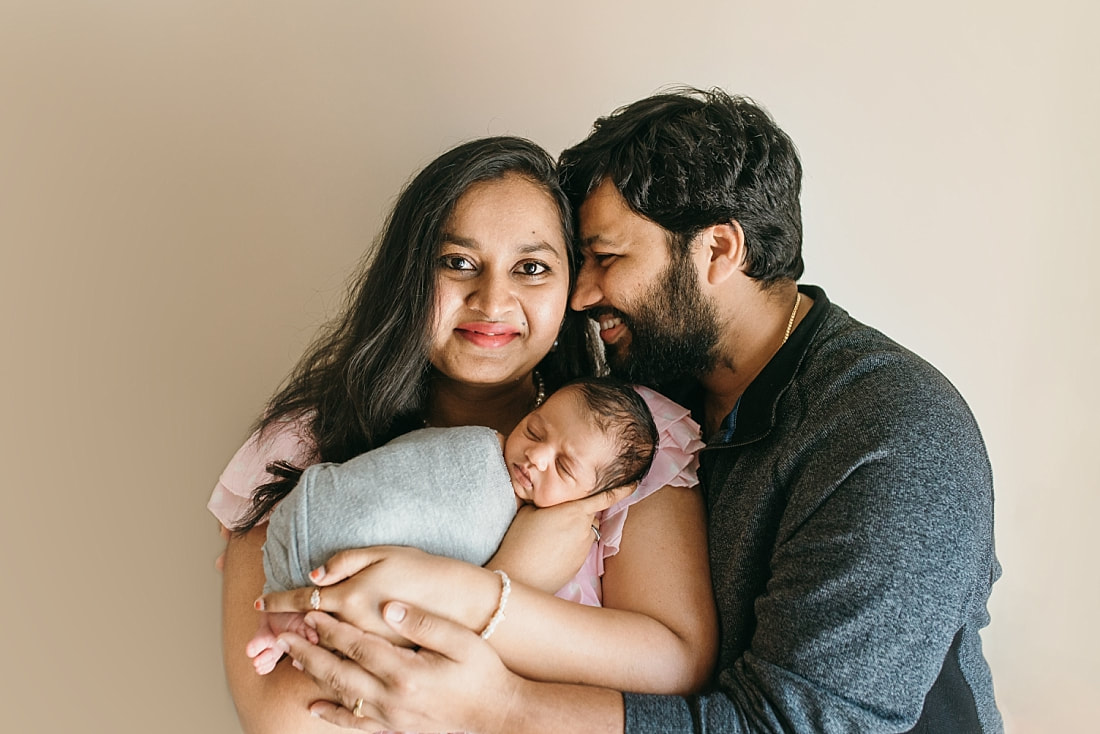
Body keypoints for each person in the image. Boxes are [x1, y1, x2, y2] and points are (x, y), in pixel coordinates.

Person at [267, 89, 1002, 733]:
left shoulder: (891, 434)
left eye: (608, 259)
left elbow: (798, 727)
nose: (582, 296)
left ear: (719, 249)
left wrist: (502, 710)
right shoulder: (651, 396)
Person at [213, 135, 716, 732]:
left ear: (572, 287)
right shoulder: (300, 443)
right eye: (457, 263)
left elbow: (672, 662)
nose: (493, 300)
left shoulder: (624, 437)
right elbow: (285, 718)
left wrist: (459, 605)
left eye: (531, 268)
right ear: (410, 278)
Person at [248, 377, 660, 675]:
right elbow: (401, 466)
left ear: (596, 496)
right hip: (315, 517)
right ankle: (283, 618)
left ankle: (280, 631)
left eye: (564, 466)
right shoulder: (479, 446)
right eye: (535, 430)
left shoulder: (559, 535)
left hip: (321, 570)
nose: (535, 456)